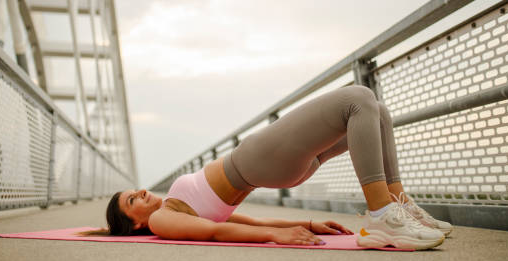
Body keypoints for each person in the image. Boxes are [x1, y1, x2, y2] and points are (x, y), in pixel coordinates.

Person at [82, 85, 452, 250]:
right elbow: (213, 233)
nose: (141, 192)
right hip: (258, 161)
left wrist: (303, 224)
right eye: (133, 201)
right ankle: (381, 217)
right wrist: (275, 238)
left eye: (135, 191)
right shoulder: (163, 221)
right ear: (136, 224)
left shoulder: (174, 208)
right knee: (356, 100)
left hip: (276, 165)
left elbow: (242, 221)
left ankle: (399, 204)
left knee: (377, 112)